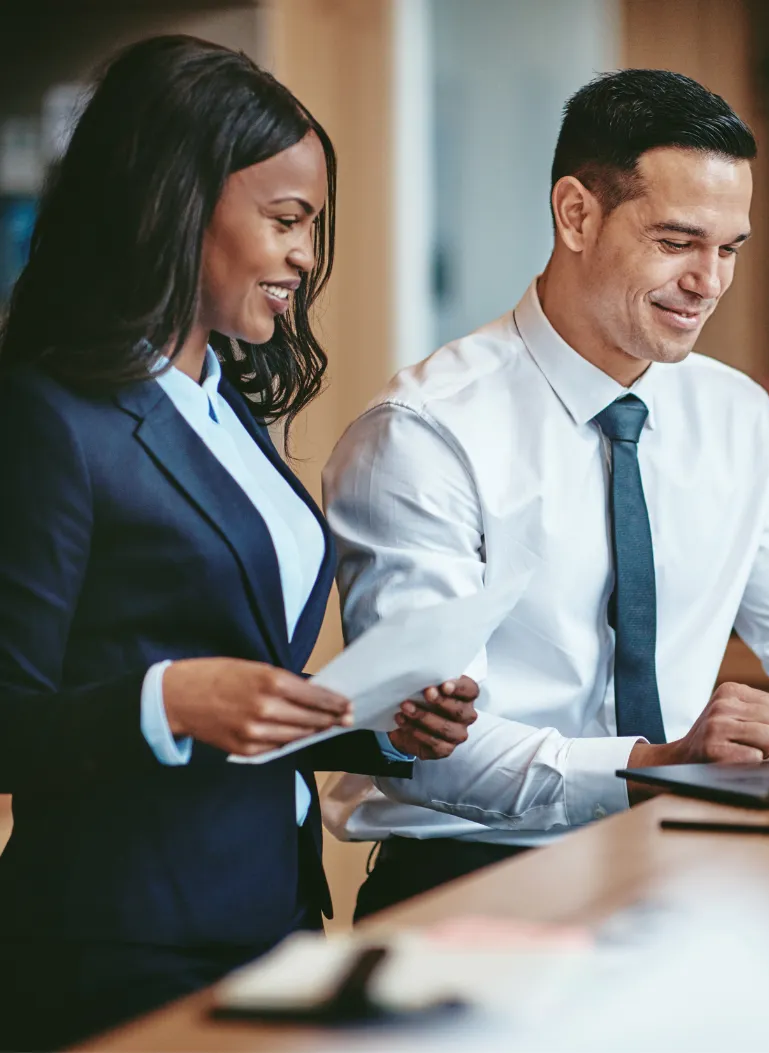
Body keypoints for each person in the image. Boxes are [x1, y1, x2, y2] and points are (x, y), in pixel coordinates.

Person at [0, 36, 477, 1050]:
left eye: (313, 225)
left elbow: (242, 699)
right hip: (115, 951)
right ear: (176, 203)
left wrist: (381, 728)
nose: (306, 257)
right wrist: (168, 698)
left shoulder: (224, 407)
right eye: (286, 220)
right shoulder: (49, 418)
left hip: (271, 920)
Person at [322, 69, 769, 919]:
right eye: (678, 240)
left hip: (688, 867)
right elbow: (432, 748)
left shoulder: (734, 415)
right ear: (576, 214)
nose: (710, 281)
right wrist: (659, 762)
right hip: (474, 885)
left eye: (730, 249)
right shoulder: (425, 433)